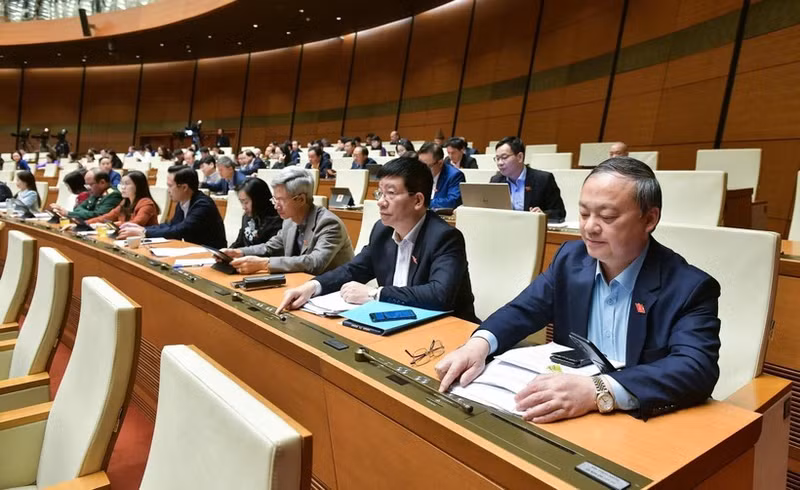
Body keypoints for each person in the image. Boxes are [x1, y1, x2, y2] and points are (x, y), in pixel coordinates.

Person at [436, 157, 722, 422]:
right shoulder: (570, 261)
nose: (590, 228)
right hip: (570, 414)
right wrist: (479, 344)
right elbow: (523, 309)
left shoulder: (689, 287)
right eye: (584, 214)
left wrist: (597, 390)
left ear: (649, 219)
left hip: (639, 417)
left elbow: (695, 368)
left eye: (607, 217)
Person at [276, 156, 478, 322]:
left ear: (418, 200)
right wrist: (312, 286)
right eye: (379, 193)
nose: (380, 202)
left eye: (390, 194)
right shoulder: (382, 231)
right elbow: (353, 269)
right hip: (394, 323)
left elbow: (439, 295)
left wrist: (375, 294)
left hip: (446, 329)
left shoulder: (444, 237)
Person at [221, 167, 354, 274]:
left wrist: (264, 264)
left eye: (281, 200)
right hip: (300, 286)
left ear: (301, 199)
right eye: (274, 199)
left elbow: (315, 263)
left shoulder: (329, 224)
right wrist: (239, 252)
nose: (275, 205)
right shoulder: (289, 221)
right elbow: (269, 247)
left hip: (336, 292)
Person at [118, 165, 226, 249]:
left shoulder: (202, 205)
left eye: (170, 186)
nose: (168, 190)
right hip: (193, 250)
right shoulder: (183, 201)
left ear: (184, 187)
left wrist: (144, 232)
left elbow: (181, 230)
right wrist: (143, 229)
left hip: (210, 252)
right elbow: (172, 225)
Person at [490, 136, 566, 220]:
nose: (500, 163)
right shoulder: (496, 181)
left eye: (504, 157)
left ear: (520, 157)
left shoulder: (543, 180)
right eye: (497, 158)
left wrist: (542, 215)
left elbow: (559, 212)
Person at [87, 170, 160, 226]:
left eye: (127, 184)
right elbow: (107, 217)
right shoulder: (125, 202)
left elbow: (136, 224)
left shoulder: (146, 203)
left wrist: (113, 224)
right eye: (122, 183)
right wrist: (86, 223)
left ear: (138, 186)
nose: (123, 187)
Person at [228, 178, 283, 248]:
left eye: (246, 202)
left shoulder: (276, 222)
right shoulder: (246, 217)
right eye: (241, 202)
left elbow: (268, 251)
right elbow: (239, 242)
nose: (243, 207)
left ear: (258, 200)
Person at [51, 169, 122, 220]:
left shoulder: (113, 195)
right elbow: (78, 208)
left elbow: (98, 215)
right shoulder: (96, 192)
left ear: (102, 182)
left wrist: (68, 213)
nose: (88, 188)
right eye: (86, 185)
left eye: (90, 184)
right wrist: (89, 213)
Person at [418, 142, 464, 209]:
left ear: (440, 163)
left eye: (426, 166)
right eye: (420, 165)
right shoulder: (417, 173)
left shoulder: (455, 175)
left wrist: (424, 203)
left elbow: (452, 201)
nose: (421, 170)